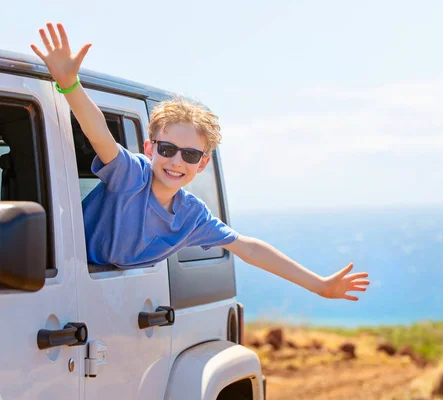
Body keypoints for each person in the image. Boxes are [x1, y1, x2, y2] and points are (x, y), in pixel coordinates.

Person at [31, 23, 370, 301]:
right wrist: (69, 84)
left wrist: (320, 285)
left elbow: (250, 249)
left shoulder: (191, 216)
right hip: (52, 276)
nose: (176, 161)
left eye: (190, 155)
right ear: (149, 148)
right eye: (167, 149)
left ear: (202, 164)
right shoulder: (130, 174)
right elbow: (100, 135)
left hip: (98, 300)